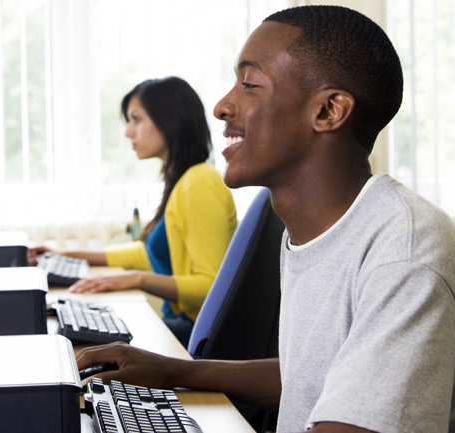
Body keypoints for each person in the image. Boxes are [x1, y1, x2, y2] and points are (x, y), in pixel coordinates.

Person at [75, 5, 455, 433]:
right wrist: (171, 371)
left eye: (251, 84)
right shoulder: (311, 231)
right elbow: (309, 378)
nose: (221, 106)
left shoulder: (404, 249)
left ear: (328, 111)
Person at [30, 76, 237, 347]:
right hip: (186, 325)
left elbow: (210, 286)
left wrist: (134, 279)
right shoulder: (184, 180)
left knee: (79, 342)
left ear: (170, 119)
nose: (128, 131)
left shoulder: (200, 182)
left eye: (136, 119)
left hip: (195, 333)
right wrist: (66, 254)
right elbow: (147, 253)